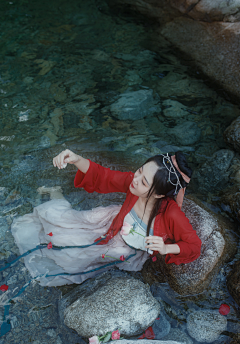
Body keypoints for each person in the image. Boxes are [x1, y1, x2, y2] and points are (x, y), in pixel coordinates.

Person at [11, 149, 201, 287]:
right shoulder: (132, 184)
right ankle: (56, 194)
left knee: (73, 259)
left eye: (143, 181)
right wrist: (77, 159)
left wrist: (166, 247)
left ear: (159, 194)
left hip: (128, 246)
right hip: (112, 220)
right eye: (140, 171)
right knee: (61, 227)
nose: (135, 179)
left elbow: (194, 245)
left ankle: (56, 196)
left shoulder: (171, 213)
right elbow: (104, 176)